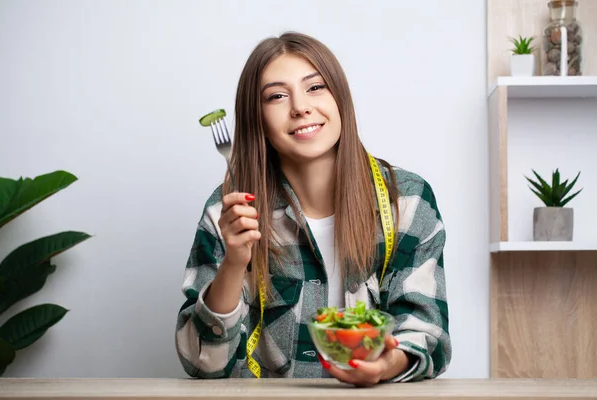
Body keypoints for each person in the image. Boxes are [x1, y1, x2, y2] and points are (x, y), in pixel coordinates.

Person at [175, 31, 451, 386]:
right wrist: (234, 261)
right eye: (276, 95)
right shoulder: (229, 209)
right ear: (256, 117)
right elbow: (203, 362)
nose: (300, 106)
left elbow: (426, 332)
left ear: (340, 98)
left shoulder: (407, 202)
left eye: (315, 87)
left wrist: (385, 365)